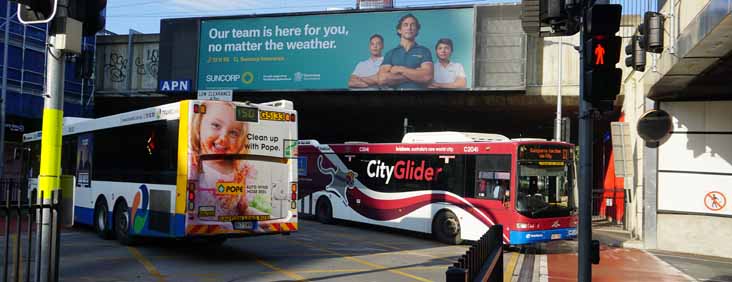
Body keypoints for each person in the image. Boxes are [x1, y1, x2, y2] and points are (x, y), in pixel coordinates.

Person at [190, 101, 251, 217]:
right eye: (216, 125)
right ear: (198, 125)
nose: (223, 138)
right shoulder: (193, 164)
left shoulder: (240, 170)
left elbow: (243, 209)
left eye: (233, 133)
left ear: (241, 139)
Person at [377, 13, 434, 89]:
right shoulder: (391, 53)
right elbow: (382, 79)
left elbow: (427, 77)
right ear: (399, 30)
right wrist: (416, 75)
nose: (409, 28)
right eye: (405, 25)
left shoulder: (424, 51)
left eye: (413, 25)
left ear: (417, 30)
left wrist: (400, 69)